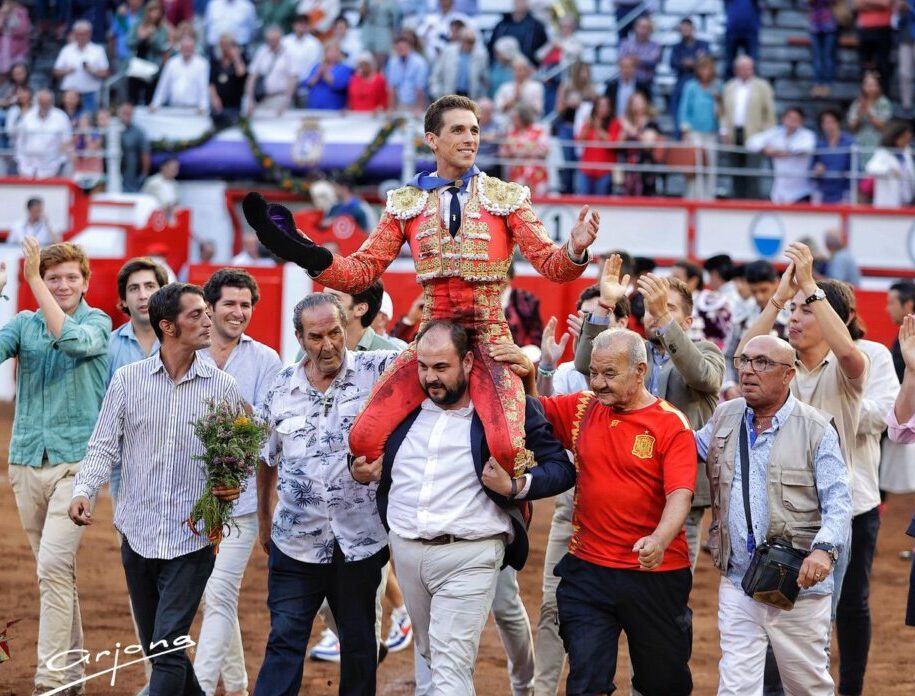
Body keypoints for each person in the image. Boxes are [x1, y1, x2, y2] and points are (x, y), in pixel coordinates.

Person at [243, 93, 598, 478]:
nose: (470, 139)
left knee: (508, 449)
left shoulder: (506, 197)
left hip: (490, 339)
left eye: (475, 130)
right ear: (432, 139)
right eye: (458, 130)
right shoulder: (406, 202)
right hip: (431, 339)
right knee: (362, 439)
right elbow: (361, 271)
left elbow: (552, 266)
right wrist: (306, 252)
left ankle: (509, 514)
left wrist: (575, 248)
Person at [351, 319, 574, 693]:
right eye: (423, 367)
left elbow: (561, 468)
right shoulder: (401, 408)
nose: (430, 378)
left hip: (472, 553)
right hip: (407, 550)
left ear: (468, 361)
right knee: (431, 658)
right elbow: (363, 451)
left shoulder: (503, 409)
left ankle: (524, 683)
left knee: (450, 669)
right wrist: (358, 471)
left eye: (441, 367)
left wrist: (516, 486)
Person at [500, 326, 696, 696]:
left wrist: (659, 539)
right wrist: (529, 377)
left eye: (609, 373)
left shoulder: (670, 424)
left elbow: (680, 495)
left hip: (653, 574)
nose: (598, 382)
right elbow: (533, 416)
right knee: (586, 683)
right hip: (588, 571)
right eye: (593, 372)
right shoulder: (582, 408)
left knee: (662, 684)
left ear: (639, 371)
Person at [70, 282, 243, 696]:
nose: (209, 321)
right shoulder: (128, 380)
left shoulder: (223, 387)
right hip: (138, 533)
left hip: (192, 537)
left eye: (207, 313)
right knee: (160, 648)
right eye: (196, 315)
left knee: (165, 649)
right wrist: (84, 489)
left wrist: (231, 483)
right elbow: (104, 445)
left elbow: (234, 459)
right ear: (168, 326)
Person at [254, 293, 398, 695]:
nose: (329, 344)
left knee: (359, 644)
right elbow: (266, 458)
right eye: (316, 337)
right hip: (295, 540)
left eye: (335, 332)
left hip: (359, 540)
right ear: (300, 338)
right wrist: (264, 520)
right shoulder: (281, 386)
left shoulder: (378, 371)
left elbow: (431, 363)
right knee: (284, 639)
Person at [696, 334, 851, 695]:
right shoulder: (725, 415)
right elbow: (683, 446)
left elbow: (839, 501)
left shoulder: (816, 428)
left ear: (788, 374)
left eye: (762, 362)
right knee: (736, 688)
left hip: (797, 585)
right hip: (738, 579)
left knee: (806, 687)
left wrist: (824, 550)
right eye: (744, 361)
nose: (748, 371)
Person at [0, 240, 110, 695]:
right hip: (27, 462)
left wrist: (32, 282)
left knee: (51, 567)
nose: (62, 285)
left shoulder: (97, 322)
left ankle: (48, 682)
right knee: (56, 573)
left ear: (85, 282)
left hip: (77, 466)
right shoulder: (23, 324)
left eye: (70, 278)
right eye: (52, 278)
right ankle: (74, 679)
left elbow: (72, 341)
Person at [576, 259, 725, 570]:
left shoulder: (707, 352)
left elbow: (701, 376)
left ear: (687, 321)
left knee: (671, 576)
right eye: (651, 307)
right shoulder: (631, 350)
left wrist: (664, 319)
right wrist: (604, 305)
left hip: (680, 491)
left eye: (668, 307)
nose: (656, 312)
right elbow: (585, 363)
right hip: (626, 482)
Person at [533, 283, 630, 696]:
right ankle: (541, 691)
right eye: (588, 318)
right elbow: (541, 418)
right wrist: (546, 366)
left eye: (603, 317)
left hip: (632, 511)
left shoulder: (640, 368)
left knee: (635, 615)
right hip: (573, 503)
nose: (593, 326)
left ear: (623, 323)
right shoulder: (571, 372)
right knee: (552, 604)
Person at [193, 269, 282, 696]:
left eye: (245, 305)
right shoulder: (186, 353)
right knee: (209, 596)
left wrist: (229, 395)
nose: (238, 311)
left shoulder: (265, 360)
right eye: (229, 303)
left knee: (219, 592)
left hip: (241, 501)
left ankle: (199, 687)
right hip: (188, 499)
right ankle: (239, 685)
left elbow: (269, 430)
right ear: (209, 308)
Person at [737, 242, 868, 492]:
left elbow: (848, 353)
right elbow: (743, 355)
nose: (794, 317)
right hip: (777, 494)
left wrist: (809, 284)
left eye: (807, 310)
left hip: (830, 496)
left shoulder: (844, 366)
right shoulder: (780, 363)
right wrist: (779, 299)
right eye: (792, 309)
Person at [836, 284, 898, 696]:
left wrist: (827, 410)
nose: (798, 319)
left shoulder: (873, 355)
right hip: (795, 503)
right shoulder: (792, 356)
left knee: (852, 602)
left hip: (856, 500)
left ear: (844, 316)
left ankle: (851, 689)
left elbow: (883, 416)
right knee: (786, 601)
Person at [107, 257, 168, 504]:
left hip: (176, 465)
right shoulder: (109, 346)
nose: (143, 295)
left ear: (164, 293)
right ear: (123, 300)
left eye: (150, 286)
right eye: (134, 288)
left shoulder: (186, 344)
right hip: (125, 469)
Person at [720, 55, 776, 200]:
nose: (745, 71)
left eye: (748, 68)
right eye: (742, 68)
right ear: (736, 70)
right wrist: (724, 131)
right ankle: (736, 201)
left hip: (755, 135)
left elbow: (769, 113)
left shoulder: (762, 86)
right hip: (734, 133)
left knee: (752, 172)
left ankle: (752, 202)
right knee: (735, 171)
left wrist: (766, 136)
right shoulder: (729, 86)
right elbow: (723, 112)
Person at [747, 106, 816, 204]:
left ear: (802, 121)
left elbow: (806, 147)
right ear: (783, 119)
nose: (792, 121)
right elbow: (751, 142)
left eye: (796, 119)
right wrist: (765, 150)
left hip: (801, 192)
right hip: (778, 192)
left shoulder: (807, 135)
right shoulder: (776, 133)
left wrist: (783, 152)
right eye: (789, 118)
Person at [678, 55, 720, 200]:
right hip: (694, 132)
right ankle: (692, 197)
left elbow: (721, 113)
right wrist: (685, 130)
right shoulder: (691, 87)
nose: (705, 72)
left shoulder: (717, 87)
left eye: (708, 68)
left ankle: (709, 198)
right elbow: (684, 109)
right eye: (702, 68)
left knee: (711, 166)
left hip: (711, 133)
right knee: (695, 166)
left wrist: (718, 101)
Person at [52, 19, 109, 114]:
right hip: (69, 95)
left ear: (90, 34)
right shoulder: (67, 50)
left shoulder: (98, 50)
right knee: (68, 119)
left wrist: (92, 70)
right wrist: (66, 71)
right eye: (79, 34)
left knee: (87, 120)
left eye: (84, 34)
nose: (81, 36)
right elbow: (55, 71)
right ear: (74, 34)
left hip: (90, 94)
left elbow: (106, 73)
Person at [14, 88, 72, 178]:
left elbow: (67, 142)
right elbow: (20, 141)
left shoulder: (61, 117)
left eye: (47, 102)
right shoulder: (27, 116)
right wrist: (20, 161)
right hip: (27, 167)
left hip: (53, 167)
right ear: (37, 102)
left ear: (52, 102)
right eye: (42, 102)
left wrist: (61, 162)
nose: (44, 105)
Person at [499, 102, 550, 196]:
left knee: (537, 200)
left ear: (523, 117)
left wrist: (521, 152)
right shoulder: (511, 131)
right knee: (516, 200)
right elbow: (503, 152)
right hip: (516, 174)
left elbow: (545, 151)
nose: (513, 119)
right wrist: (517, 153)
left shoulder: (538, 130)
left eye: (515, 117)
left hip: (536, 174)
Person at [669, 17, 710, 134]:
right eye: (683, 29)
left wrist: (690, 63)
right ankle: (679, 136)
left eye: (687, 28)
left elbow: (706, 62)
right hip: (682, 82)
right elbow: (673, 63)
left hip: (699, 83)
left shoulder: (703, 44)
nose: (685, 31)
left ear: (693, 29)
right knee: (678, 112)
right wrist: (694, 62)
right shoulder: (676, 47)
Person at [126, 0, 171, 106]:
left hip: (153, 67)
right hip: (137, 65)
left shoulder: (163, 29)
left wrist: (152, 37)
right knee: (133, 98)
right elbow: (129, 42)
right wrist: (141, 38)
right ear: (147, 12)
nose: (154, 14)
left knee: (149, 98)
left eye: (157, 11)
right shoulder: (138, 24)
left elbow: (162, 47)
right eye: (152, 11)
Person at [150, 34, 210, 113]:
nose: (187, 50)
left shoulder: (202, 64)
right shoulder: (172, 63)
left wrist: (203, 106)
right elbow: (163, 86)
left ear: (193, 48)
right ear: (180, 48)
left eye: (189, 48)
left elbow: (203, 87)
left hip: (193, 109)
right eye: (185, 48)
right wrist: (155, 104)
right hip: (173, 108)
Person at [245, 25, 297, 116]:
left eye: (275, 40)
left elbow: (292, 79)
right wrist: (250, 100)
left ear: (280, 39)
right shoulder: (262, 51)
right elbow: (252, 77)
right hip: (261, 98)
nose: (272, 43)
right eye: (270, 40)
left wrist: (287, 101)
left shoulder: (289, 53)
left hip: (280, 98)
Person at [429, 26, 489, 101]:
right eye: (467, 40)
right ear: (461, 40)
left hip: (470, 96)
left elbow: (484, 79)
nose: (469, 44)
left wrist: (481, 97)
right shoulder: (448, 51)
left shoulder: (481, 55)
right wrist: (436, 93)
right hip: (448, 95)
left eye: (472, 41)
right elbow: (436, 75)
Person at [575, 94, 618, 196]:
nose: (604, 109)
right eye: (601, 106)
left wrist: (598, 128)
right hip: (586, 169)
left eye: (606, 106)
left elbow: (613, 143)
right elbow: (579, 140)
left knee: (600, 203)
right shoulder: (589, 123)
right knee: (583, 201)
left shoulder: (614, 123)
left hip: (604, 171)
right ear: (596, 108)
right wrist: (588, 126)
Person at [865, 119, 915, 208]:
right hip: (888, 202)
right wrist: (889, 171)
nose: (906, 141)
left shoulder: (907, 152)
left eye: (908, 138)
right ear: (895, 137)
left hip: (907, 201)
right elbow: (870, 168)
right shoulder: (883, 153)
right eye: (904, 138)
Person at [486, 0, 548, 67]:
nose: (519, 3)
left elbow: (543, 50)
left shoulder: (536, 26)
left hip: (526, 68)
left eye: (522, 1)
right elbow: (492, 47)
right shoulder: (501, 25)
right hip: (501, 68)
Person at [811, 108, 854, 204]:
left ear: (838, 123)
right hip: (823, 192)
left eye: (831, 122)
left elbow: (856, 169)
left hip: (844, 192)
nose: (828, 126)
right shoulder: (819, 145)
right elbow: (811, 169)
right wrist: (816, 170)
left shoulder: (850, 143)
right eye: (825, 123)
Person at [847, 71, 892, 154]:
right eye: (868, 85)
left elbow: (883, 125)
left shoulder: (884, 103)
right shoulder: (857, 103)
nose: (870, 88)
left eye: (873, 85)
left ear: (878, 86)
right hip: (860, 142)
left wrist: (868, 113)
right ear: (863, 86)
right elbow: (852, 127)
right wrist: (860, 116)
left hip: (879, 142)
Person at [854, 0, 893, 95]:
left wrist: (867, 3)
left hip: (883, 28)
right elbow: (857, 5)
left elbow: (886, 4)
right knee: (864, 67)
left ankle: (884, 96)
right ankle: (864, 98)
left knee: (883, 66)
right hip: (865, 29)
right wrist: (877, 4)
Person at [618, 16, 661, 99]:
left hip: (647, 84)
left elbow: (653, 61)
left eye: (646, 28)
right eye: (641, 27)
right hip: (629, 84)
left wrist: (634, 59)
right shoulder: (625, 43)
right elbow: (622, 60)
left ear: (650, 30)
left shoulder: (655, 45)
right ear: (635, 28)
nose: (643, 31)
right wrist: (641, 60)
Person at [209, 34, 248, 127]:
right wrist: (214, 98)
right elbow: (211, 82)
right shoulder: (216, 61)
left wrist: (236, 57)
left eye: (227, 45)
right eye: (222, 45)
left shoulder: (239, 61)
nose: (224, 48)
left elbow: (241, 73)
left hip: (234, 106)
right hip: (219, 107)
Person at [302, 42, 353, 110]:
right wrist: (317, 75)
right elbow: (306, 84)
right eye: (330, 51)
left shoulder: (344, 69)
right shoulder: (317, 67)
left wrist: (325, 74)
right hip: (314, 108)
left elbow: (340, 85)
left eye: (335, 51)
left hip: (333, 109)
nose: (332, 54)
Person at [385, 33, 429, 111]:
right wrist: (391, 108)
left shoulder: (419, 63)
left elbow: (420, 89)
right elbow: (392, 88)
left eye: (403, 47)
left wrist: (419, 108)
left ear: (410, 46)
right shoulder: (393, 63)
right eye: (399, 48)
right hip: (399, 104)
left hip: (415, 103)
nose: (401, 50)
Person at [604, 54, 649, 122]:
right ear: (619, 68)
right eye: (624, 66)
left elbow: (648, 106)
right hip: (615, 122)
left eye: (629, 66)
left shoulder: (642, 86)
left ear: (634, 68)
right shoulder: (611, 86)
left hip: (636, 122)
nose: (626, 70)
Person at [118, 102, 151, 193]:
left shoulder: (138, 132)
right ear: (119, 113)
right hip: (113, 169)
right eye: (124, 113)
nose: (126, 116)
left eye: (129, 114)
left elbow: (145, 154)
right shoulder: (112, 128)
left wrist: (144, 175)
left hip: (131, 171)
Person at [282, 13, 322, 84]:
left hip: (306, 82)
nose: (302, 26)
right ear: (293, 25)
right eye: (300, 23)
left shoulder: (315, 43)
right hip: (286, 81)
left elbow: (317, 64)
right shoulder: (285, 41)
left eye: (305, 24)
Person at [808, 0, 837, 97]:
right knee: (817, 57)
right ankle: (817, 83)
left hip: (829, 25)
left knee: (827, 56)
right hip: (815, 26)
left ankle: (827, 84)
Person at [724, 0, 761, 75]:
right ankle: (729, 82)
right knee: (730, 65)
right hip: (732, 29)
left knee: (752, 64)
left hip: (750, 31)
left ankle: (753, 82)